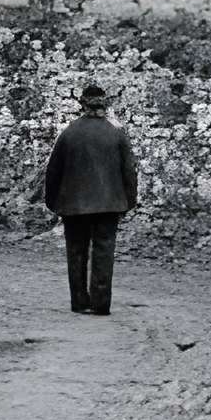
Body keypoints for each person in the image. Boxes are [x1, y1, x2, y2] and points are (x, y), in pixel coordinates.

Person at [40, 81, 138, 315]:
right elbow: (129, 171)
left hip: (73, 204)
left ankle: (79, 301)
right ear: (105, 105)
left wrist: (52, 201)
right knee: (104, 251)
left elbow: (53, 171)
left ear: (81, 104)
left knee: (76, 250)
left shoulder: (69, 134)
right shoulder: (116, 134)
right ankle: (101, 303)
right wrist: (129, 201)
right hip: (109, 204)